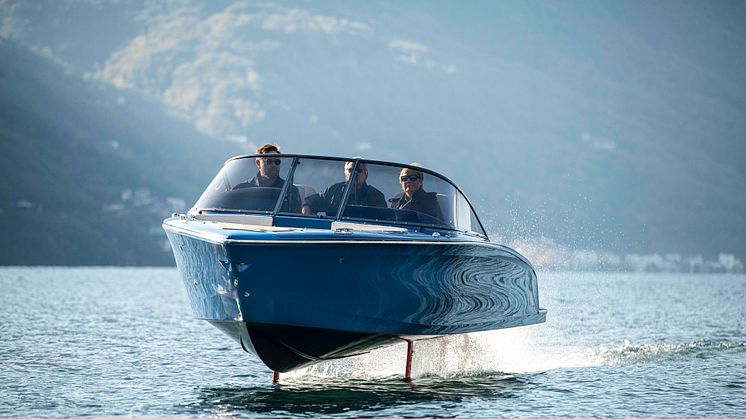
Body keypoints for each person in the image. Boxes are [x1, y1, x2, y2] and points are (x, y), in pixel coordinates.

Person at [302, 160, 387, 216]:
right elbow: (312, 201)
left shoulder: (376, 196)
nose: (355, 173)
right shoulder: (334, 190)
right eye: (351, 170)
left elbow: (384, 220)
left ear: (366, 175)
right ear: (345, 173)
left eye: (359, 170)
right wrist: (306, 206)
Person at [234, 143, 301, 212]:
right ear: (258, 163)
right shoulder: (242, 189)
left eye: (277, 162)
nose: (274, 165)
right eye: (269, 161)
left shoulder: (290, 190)